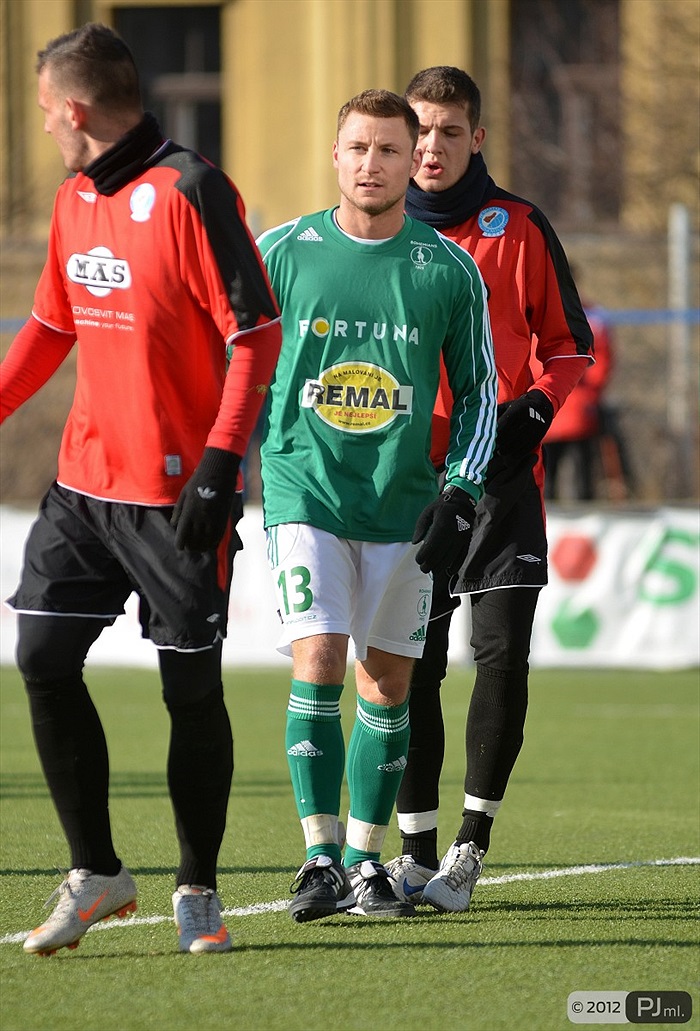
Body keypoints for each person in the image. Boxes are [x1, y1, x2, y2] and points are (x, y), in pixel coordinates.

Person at [0, 23, 281, 956]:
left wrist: (221, 462)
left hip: (179, 498)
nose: (45, 123)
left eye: (47, 110)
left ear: (77, 109)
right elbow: (51, 327)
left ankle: (197, 885)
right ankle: (97, 872)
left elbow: (256, 334)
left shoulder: (193, 189)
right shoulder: (72, 197)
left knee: (189, 690)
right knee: (43, 657)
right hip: (83, 487)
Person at [256, 89, 498, 922]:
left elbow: (481, 391)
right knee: (320, 656)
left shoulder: (449, 268)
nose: (372, 163)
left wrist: (462, 491)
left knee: (388, 683)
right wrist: (219, 464)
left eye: (389, 149)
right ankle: (319, 856)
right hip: (305, 489)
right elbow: (233, 362)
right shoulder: (281, 253)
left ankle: (364, 861)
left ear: (411, 161)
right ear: (336, 155)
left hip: (404, 504)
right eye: (358, 147)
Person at [385, 66, 593, 912]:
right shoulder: (375, 233)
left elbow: (570, 346)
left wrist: (536, 409)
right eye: (420, 132)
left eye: (449, 131)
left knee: (501, 656)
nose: (431, 148)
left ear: (477, 138)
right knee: (415, 666)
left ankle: (470, 847)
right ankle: (412, 852)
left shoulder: (520, 226)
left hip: (504, 480)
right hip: (410, 484)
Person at [542, 278, 615, 501]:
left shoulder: (591, 316)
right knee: (576, 473)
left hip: (558, 404)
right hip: (563, 404)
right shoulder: (591, 316)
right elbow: (603, 360)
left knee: (552, 474)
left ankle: (552, 511)